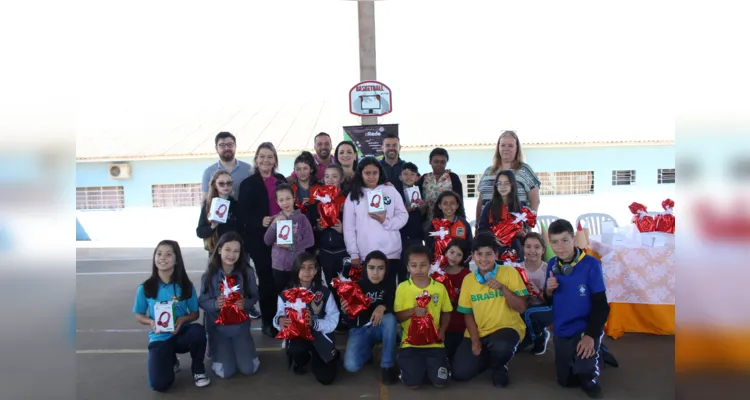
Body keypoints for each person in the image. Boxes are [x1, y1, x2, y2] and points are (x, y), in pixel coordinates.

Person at [543, 219, 610, 399]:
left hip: (585, 327)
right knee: (565, 381)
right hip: (563, 327)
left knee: (585, 377)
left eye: (565, 240)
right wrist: (548, 290)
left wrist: (590, 335)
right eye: (554, 242)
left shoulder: (591, 265)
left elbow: (601, 306)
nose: (560, 247)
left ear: (573, 239)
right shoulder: (552, 264)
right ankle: (594, 351)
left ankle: (597, 350)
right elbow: (547, 300)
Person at [452, 233, 529, 388]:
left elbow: (521, 307)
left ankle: (500, 366)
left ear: (496, 255)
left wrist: (502, 288)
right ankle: (490, 356)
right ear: (473, 256)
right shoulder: (468, 280)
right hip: (480, 333)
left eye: (489, 254)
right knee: (460, 373)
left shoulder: (509, 272)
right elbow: (467, 314)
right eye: (479, 254)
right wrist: (475, 341)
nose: (484, 259)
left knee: (501, 345)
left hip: (506, 329)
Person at [132, 240, 210, 391]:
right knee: (160, 385)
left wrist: (183, 319)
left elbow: (194, 314)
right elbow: (139, 315)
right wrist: (151, 322)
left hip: (181, 334)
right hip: (160, 337)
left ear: (176, 260)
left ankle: (198, 370)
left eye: (168, 254)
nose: (162, 258)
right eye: (159, 254)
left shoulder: (185, 286)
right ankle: (170, 359)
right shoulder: (145, 288)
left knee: (198, 332)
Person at [238, 142, 288, 337]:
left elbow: (289, 203)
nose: (266, 160)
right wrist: (260, 221)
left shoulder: (281, 180)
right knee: (267, 282)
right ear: (256, 160)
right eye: (262, 156)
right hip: (260, 241)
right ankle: (269, 321)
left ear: (275, 160)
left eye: (270, 156)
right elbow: (243, 214)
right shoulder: (248, 184)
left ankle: (286, 318)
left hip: (283, 240)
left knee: (282, 281)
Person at [198, 232, 260, 379]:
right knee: (225, 372)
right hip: (218, 327)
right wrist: (214, 304)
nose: (231, 255)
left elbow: (255, 296)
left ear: (241, 253)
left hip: (239, 326)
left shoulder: (248, 273)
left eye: (236, 251)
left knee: (249, 369)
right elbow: (201, 300)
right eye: (227, 249)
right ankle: (212, 346)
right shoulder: (208, 276)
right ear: (219, 250)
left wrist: (246, 303)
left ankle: (244, 346)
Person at [273, 253, 340, 385]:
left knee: (326, 378)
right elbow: (278, 316)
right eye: (302, 267)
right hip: (298, 336)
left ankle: (331, 355)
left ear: (316, 270)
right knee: (296, 349)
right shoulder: (286, 293)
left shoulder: (324, 293)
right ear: (296, 269)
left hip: (319, 336)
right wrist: (280, 320)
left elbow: (333, 319)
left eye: (311, 267)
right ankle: (301, 360)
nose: (306, 271)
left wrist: (314, 323)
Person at [394, 245, 452, 389]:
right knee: (413, 384)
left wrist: (442, 331)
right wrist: (413, 310)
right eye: (414, 265)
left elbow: (447, 311)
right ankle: (411, 365)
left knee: (440, 383)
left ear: (430, 266)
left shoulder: (439, 288)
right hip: (410, 344)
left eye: (423, 265)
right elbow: (399, 317)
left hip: (434, 343)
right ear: (408, 267)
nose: (418, 269)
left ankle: (430, 366)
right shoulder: (402, 288)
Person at [343, 157, 409, 285]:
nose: (371, 176)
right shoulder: (353, 196)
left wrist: (386, 221)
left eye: (375, 173)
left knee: (389, 292)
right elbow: (348, 228)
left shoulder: (390, 190)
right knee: (370, 294)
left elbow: (403, 216)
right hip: (365, 253)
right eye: (367, 173)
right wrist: (354, 253)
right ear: (360, 174)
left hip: (391, 252)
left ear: (380, 173)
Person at [342, 250, 399, 384]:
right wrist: (346, 311)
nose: (375, 272)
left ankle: (387, 365)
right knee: (351, 366)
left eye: (380, 268)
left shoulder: (391, 286)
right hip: (360, 329)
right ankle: (368, 353)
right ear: (365, 268)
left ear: (386, 270)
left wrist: (383, 307)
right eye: (371, 268)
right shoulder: (356, 287)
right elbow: (348, 321)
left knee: (390, 319)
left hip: (381, 327)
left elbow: (397, 307)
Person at [307, 164, 349, 314]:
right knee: (331, 284)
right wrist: (318, 228)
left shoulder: (346, 199)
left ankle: (347, 315)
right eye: (327, 176)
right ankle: (336, 314)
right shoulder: (317, 200)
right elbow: (311, 225)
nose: (330, 179)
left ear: (341, 179)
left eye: (334, 176)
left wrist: (343, 230)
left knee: (346, 284)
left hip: (343, 251)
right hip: (325, 251)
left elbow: (357, 225)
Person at [475, 130, 541, 223]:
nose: (506, 148)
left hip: (515, 230)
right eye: (503, 145)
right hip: (488, 229)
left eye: (510, 146)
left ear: (517, 148)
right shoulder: (488, 171)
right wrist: (478, 225)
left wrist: (527, 225)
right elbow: (481, 200)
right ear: (498, 147)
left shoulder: (524, 170)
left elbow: (535, 201)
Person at [263, 183, 315, 297]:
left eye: (288, 198)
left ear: (294, 198)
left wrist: (292, 246)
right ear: (277, 202)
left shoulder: (302, 218)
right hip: (278, 266)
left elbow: (310, 241)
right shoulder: (275, 218)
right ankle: (283, 315)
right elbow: (267, 241)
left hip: (297, 266)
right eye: (281, 200)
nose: (285, 202)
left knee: (298, 295)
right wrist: (273, 225)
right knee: (282, 295)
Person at [518, 232, 553, 355]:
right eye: (528, 246)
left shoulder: (548, 269)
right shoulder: (517, 268)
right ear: (523, 248)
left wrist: (538, 292)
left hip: (544, 307)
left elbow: (553, 300)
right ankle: (530, 334)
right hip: (524, 306)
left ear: (543, 250)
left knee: (529, 312)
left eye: (537, 247)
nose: (532, 250)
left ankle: (537, 337)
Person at [477, 170, 526, 258]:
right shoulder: (489, 206)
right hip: (495, 250)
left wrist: (521, 233)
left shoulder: (519, 206)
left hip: (515, 250)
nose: (502, 186)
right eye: (499, 183)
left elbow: (523, 228)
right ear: (496, 186)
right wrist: (493, 238)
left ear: (512, 185)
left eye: (506, 183)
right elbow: (481, 230)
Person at [196, 170, 245, 256]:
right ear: (215, 185)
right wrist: (212, 226)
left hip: (234, 251)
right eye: (221, 183)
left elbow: (243, 230)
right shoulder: (208, 205)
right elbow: (200, 232)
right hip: (215, 251)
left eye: (229, 183)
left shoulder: (237, 205)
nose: (225, 186)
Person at [441, 238, 472, 364]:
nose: (454, 257)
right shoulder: (436, 272)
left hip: (460, 324)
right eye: (452, 252)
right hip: (440, 324)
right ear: (445, 252)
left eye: (459, 254)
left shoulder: (467, 275)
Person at [201, 132, 253, 202]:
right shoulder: (208, 172)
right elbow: (205, 199)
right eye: (222, 145)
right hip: (218, 212)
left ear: (235, 146)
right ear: (216, 148)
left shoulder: (248, 169)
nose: (226, 148)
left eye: (230, 144)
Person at [418, 147, 464, 226]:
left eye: (442, 162)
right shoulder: (424, 178)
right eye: (436, 161)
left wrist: (461, 222)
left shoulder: (453, 178)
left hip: (449, 223)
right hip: (428, 223)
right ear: (430, 161)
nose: (439, 164)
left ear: (446, 163)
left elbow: (459, 201)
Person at [425, 190, 473, 264]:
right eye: (445, 203)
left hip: (459, 266)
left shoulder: (464, 224)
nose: (449, 206)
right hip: (439, 267)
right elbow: (429, 246)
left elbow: (470, 246)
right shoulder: (434, 224)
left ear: (457, 205)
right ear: (440, 206)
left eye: (452, 203)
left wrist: (462, 262)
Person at [288, 151, 319, 253]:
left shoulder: (320, 188)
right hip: (296, 233)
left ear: (311, 169)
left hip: (316, 232)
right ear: (294, 171)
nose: (302, 172)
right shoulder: (290, 189)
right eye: (298, 169)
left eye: (305, 168)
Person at [399, 162, 427, 263]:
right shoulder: (395, 194)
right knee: (402, 267)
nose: (409, 177)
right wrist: (406, 210)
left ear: (417, 178)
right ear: (400, 177)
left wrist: (423, 209)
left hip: (416, 237)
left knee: (417, 264)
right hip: (401, 237)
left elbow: (422, 218)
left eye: (412, 174)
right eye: (405, 174)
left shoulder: (421, 193)